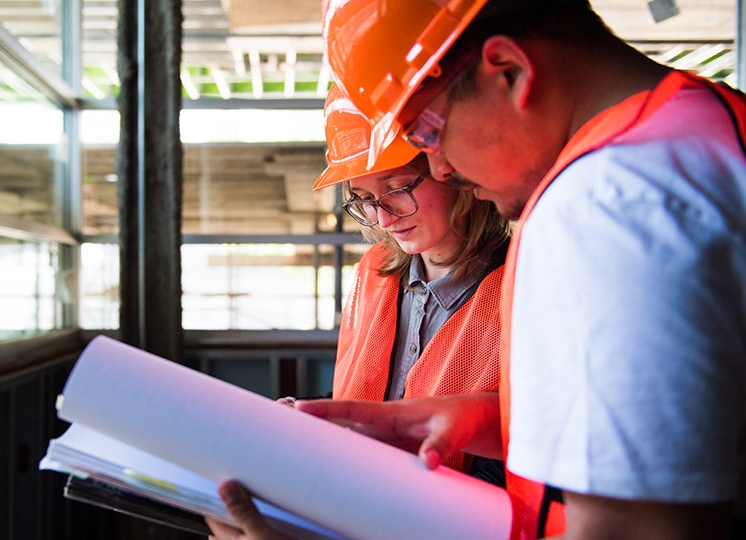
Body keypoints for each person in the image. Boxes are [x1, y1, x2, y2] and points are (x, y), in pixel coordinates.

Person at [213, 0, 746, 538]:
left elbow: (636, 528)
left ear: (508, 70)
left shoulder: (602, 200)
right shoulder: (705, 123)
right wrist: (495, 421)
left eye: (428, 134)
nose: (442, 167)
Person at [206, 83, 511, 539]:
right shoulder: (376, 273)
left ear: (450, 166)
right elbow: (362, 400)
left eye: (398, 187)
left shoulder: (516, 287)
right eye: (364, 199)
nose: (384, 217)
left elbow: (513, 476)